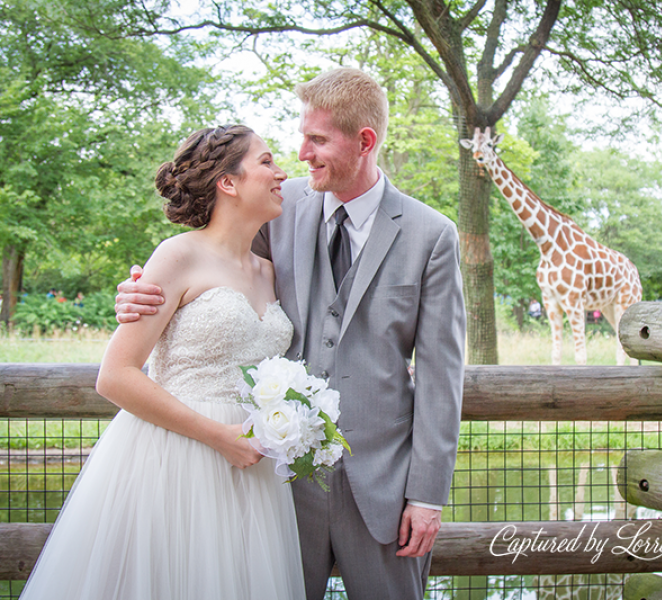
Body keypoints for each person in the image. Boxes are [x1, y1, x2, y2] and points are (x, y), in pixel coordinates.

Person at [116, 68, 466, 600]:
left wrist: (427, 495)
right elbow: (211, 270)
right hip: (272, 484)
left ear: (365, 141)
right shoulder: (278, 208)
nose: (300, 153)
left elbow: (442, 373)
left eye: (317, 139)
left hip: (384, 487)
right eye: (300, 136)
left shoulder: (430, 234)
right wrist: (138, 289)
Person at [20, 125, 306, 600]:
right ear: (228, 182)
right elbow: (115, 376)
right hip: (176, 458)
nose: (281, 173)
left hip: (251, 468)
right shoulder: (176, 256)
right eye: (267, 162)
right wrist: (221, 437)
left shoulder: (270, 271)